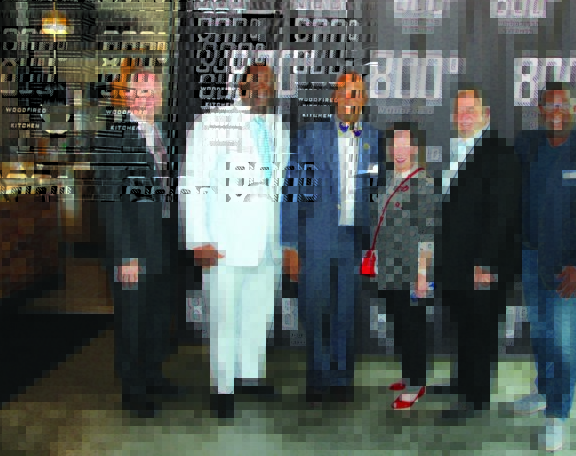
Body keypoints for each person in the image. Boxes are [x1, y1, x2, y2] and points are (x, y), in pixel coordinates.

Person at [181, 62, 298, 419]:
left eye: (269, 84)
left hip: (267, 244)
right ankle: (223, 387)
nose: (263, 88)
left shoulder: (278, 128)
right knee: (224, 319)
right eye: (256, 82)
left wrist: (285, 243)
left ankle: (249, 376)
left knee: (258, 315)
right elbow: (194, 180)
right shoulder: (213, 123)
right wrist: (198, 238)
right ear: (242, 86)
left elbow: (280, 191)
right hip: (224, 244)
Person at [513, 81, 576, 451]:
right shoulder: (527, 146)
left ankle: (557, 414)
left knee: (564, 341)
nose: (556, 113)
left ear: (574, 109)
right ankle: (544, 390)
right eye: (549, 106)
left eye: (563, 106)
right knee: (542, 333)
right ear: (540, 111)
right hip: (531, 257)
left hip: (570, 267)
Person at [284, 71, 383, 405]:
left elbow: (375, 191)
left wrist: (374, 242)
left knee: (346, 311)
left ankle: (342, 378)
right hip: (315, 237)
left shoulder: (373, 139)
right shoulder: (310, 136)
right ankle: (318, 376)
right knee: (315, 309)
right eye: (345, 92)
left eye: (358, 93)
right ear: (334, 97)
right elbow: (293, 188)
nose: (351, 99)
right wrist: (289, 244)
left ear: (364, 100)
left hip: (353, 240)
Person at [96, 61, 185, 418]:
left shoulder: (165, 135)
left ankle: (152, 375)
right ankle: (133, 390)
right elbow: (110, 203)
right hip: (133, 247)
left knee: (158, 314)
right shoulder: (113, 139)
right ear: (128, 96)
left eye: (152, 91)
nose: (147, 98)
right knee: (132, 319)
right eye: (139, 91)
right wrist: (125, 256)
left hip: (164, 242)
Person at [435, 87, 522, 422]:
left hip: (482, 264)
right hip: (457, 261)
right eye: (459, 110)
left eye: (470, 110)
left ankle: (475, 397)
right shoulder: (459, 149)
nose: (464, 116)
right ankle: (462, 382)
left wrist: (486, 262)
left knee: (480, 329)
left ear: (486, 114)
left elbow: (503, 214)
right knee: (463, 325)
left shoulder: (499, 153)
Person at [370, 123, 440, 410]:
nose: (399, 150)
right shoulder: (389, 179)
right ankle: (408, 374)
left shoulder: (423, 184)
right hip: (388, 268)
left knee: (413, 328)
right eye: (395, 144)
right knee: (400, 325)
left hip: (411, 271)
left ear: (414, 148)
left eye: (405, 144)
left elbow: (428, 233)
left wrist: (422, 274)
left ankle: (416, 383)